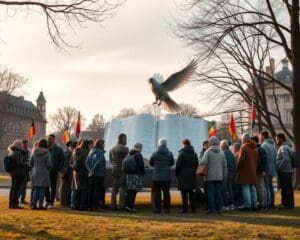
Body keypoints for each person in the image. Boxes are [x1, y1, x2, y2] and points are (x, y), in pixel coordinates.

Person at [200, 137, 227, 214]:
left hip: (210, 176)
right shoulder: (222, 152)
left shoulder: (208, 152)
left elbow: (203, 162)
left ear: (210, 142)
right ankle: (219, 209)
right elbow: (225, 166)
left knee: (210, 193)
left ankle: (212, 209)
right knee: (218, 193)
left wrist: (200, 159)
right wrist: (224, 176)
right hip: (219, 176)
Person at [150, 139, 175, 214]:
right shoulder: (170, 153)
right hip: (166, 176)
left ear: (159, 144)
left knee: (157, 192)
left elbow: (151, 163)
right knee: (166, 192)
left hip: (157, 177)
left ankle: (157, 209)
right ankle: (167, 209)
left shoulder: (155, 153)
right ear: (166, 144)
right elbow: (172, 163)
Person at [237, 133, 259, 211]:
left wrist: (237, 167)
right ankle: (254, 205)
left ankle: (248, 205)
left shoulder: (244, 147)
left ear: (244, 139)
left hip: (245, 171)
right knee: (252, 188)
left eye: (242, 139)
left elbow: (240, 160)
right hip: (253, 170)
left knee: (245, 187)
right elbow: (257, 161)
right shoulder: (255, 148)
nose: (241, 141)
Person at [175, 139, 198, 213]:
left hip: (183, 175)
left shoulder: (182, 154)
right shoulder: (194, 154)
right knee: (191, 193)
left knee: (183, 193)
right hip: (192, 175)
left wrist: (177, 174)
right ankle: (193, 209)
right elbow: (196, 164)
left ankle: (185, 209)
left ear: (184, 144)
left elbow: (178, 165)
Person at [30, 139, 52, 210]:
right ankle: (40, 205)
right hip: (44, 172)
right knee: (42, 189)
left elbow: (31, 163)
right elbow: (49, 164)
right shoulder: (47, 152)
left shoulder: (34, 152)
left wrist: (34, 167)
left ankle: (34, 204)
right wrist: (48, 169)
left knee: (36, 189)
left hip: (35, 172)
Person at [109, 133, 129, 211]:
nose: (126, 140)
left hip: (114, 169)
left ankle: (113, 205)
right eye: (126, 139)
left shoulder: (112, 148)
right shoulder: (125, 148)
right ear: (122, 139)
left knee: (114, 189)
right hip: (122, 169)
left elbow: (110, 160)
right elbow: (127, 160)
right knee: (122, 188)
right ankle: (121, 205)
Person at [86, 139, 106, 212]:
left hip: (91, 174)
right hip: (99, 174)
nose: (104, 145)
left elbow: (86, 162)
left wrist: (90, 171)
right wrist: (93, 170)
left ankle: (89, 206)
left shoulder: (91, 151)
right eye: (104, 144)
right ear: (101, 144)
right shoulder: (100, 152)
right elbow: (98, 162)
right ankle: (95, 206)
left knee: (91, 190)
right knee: (97, 191)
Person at [124, 143, 145, 213]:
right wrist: (143, 173)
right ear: (140, 148)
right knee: (133, 191)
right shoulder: (138, 154)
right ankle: (131, 207)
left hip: (128, 174)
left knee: (129, 191)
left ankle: (127, 206)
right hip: (135, 174)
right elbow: (141, 165)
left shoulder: (130, 154)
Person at [45, 134, 65, 209]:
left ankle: (51, 201)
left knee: (53, 186)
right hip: (46, 171)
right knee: (46, 186)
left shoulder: (58, 149)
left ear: (54, 139)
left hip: (54, 171)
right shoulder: (46, 148)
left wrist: (58, 168)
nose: (49, 140)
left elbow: (62, 160)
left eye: (50, 139)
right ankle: (47, 200)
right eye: (48, 139)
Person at [275, 133, 294, 209]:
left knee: (285, 188)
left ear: (281, 139)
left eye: (277, 139)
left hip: (284, 171)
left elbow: (286, 159)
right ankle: (290, 203)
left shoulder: (283, 147)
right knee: (288, 188)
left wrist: (278, 167)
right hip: (288, 170)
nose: (276, 141)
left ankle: (285, 204)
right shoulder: (288, 146)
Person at [70, 139, 90, 211]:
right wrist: (89, 171)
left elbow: (71, 162)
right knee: (84, 189)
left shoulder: (74, 151)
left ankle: (74, 205)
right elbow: (86, 163)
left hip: (75, 172)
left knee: (75, 189)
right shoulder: (86, 152)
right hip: (83, 172)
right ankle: (82, 205)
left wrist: (74, 168)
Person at [260, 131, 277, 209]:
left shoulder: (263, 146)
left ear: (263, 136)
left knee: (266, 187)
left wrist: (264, 169)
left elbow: (264, 159)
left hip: (266, 169)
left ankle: (267, 203)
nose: (259, 137)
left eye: (260, 136)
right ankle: (272, 202)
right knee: (271, 187)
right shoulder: (273, 146)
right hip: (273, 169)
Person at [7, 140, 27, 209]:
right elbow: (19, 164)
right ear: (18, 145)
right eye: (21, 145)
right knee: (16, 189)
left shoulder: (12, 152)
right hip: (18, 172)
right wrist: (26, 164)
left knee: (13, 188)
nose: (22, 146)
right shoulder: (17, 153)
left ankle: (11, 203)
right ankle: (14, 204)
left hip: (13, 172)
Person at [251, 136, 268, 210]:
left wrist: (263, 170)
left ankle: (262, 204)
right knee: (262, 187)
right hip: (261, 170)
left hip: (259, 171)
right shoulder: (262, 149)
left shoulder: (257, 150)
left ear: (254, 141)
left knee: (259, 188)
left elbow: (263, 162)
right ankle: (263, 203)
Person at [220, 140, 236, 210]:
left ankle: (225, 204)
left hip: (224, 174)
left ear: (222, 146)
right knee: (230, 190)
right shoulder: (232, 154)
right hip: (231, 174)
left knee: (224, 189)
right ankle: (232, 204)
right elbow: (235, 164)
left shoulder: (222, 153)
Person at [59, 141, 75, 207]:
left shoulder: (67, 153)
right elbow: (65, 164)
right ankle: (64, 202)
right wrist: (64, 172)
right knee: (65, 188)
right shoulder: (67, 153)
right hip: (66, 173)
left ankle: (65, 202)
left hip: (67, 173)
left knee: (66, 188)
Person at [19, 140, 30, 204]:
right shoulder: (20, 151)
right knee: (20, 186)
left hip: (26, 170)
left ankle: (23, 199)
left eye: (26, 143)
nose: (26, 145)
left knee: (24, 186)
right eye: (24, 143)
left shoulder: (27, 151)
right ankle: (19, 199)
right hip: (21, 170)